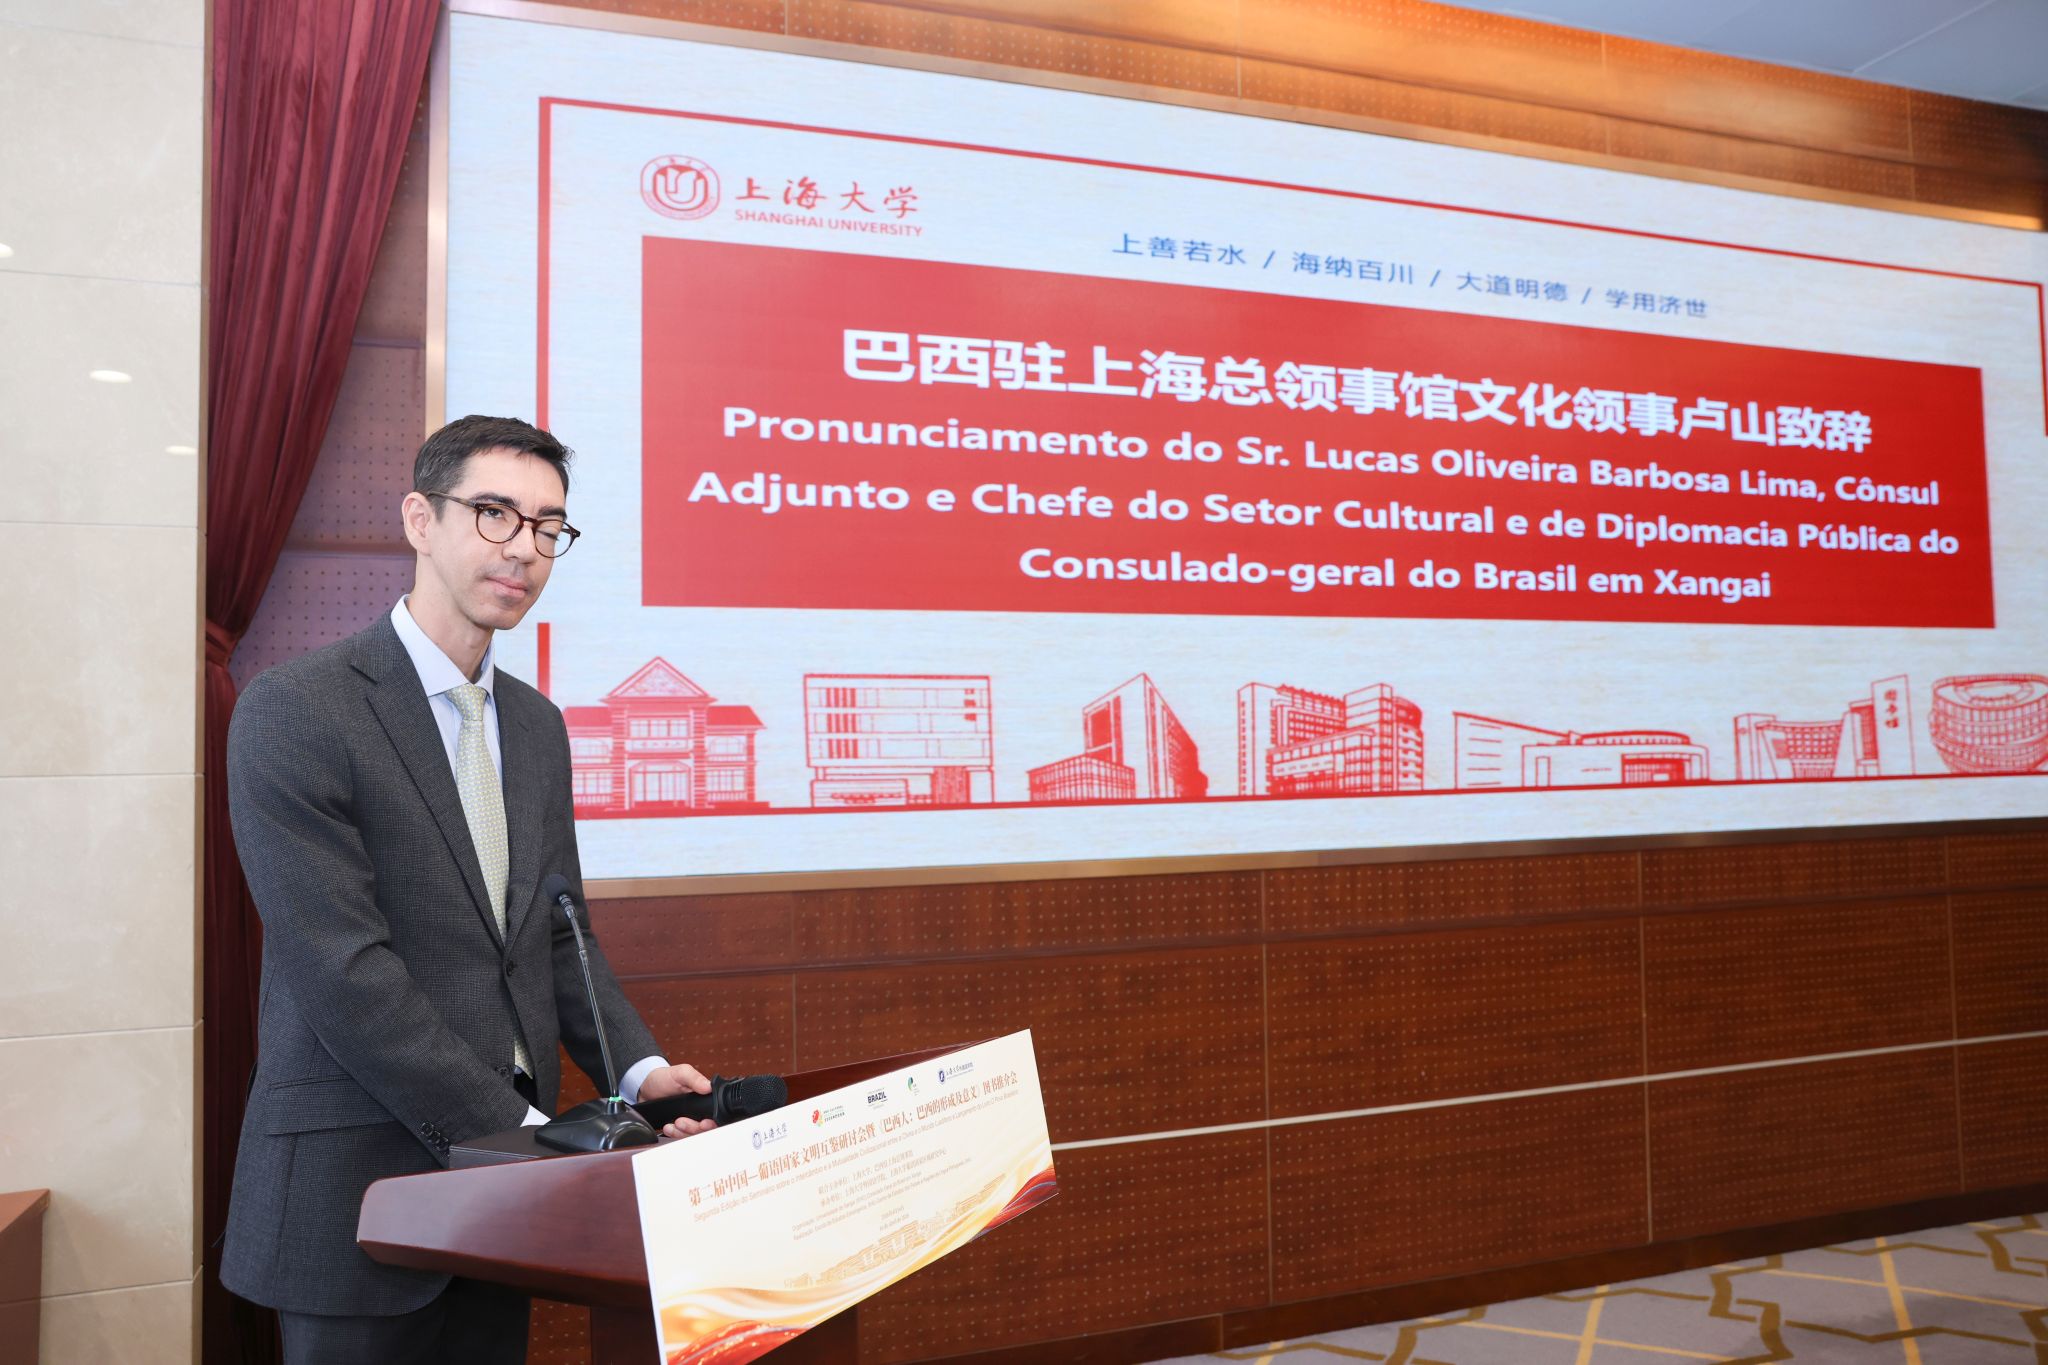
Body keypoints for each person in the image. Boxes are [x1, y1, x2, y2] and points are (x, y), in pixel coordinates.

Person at [222, 415, 712, 1363]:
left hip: (501, 1207)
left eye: (548, 526)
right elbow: (342, 970)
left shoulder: (536, 725)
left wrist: (641, 1073)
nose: (524, 548)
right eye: (495, 513)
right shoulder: (298, 708)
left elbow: (558, 934)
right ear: (420, 518)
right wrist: (528, 1135)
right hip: (358, 1195)